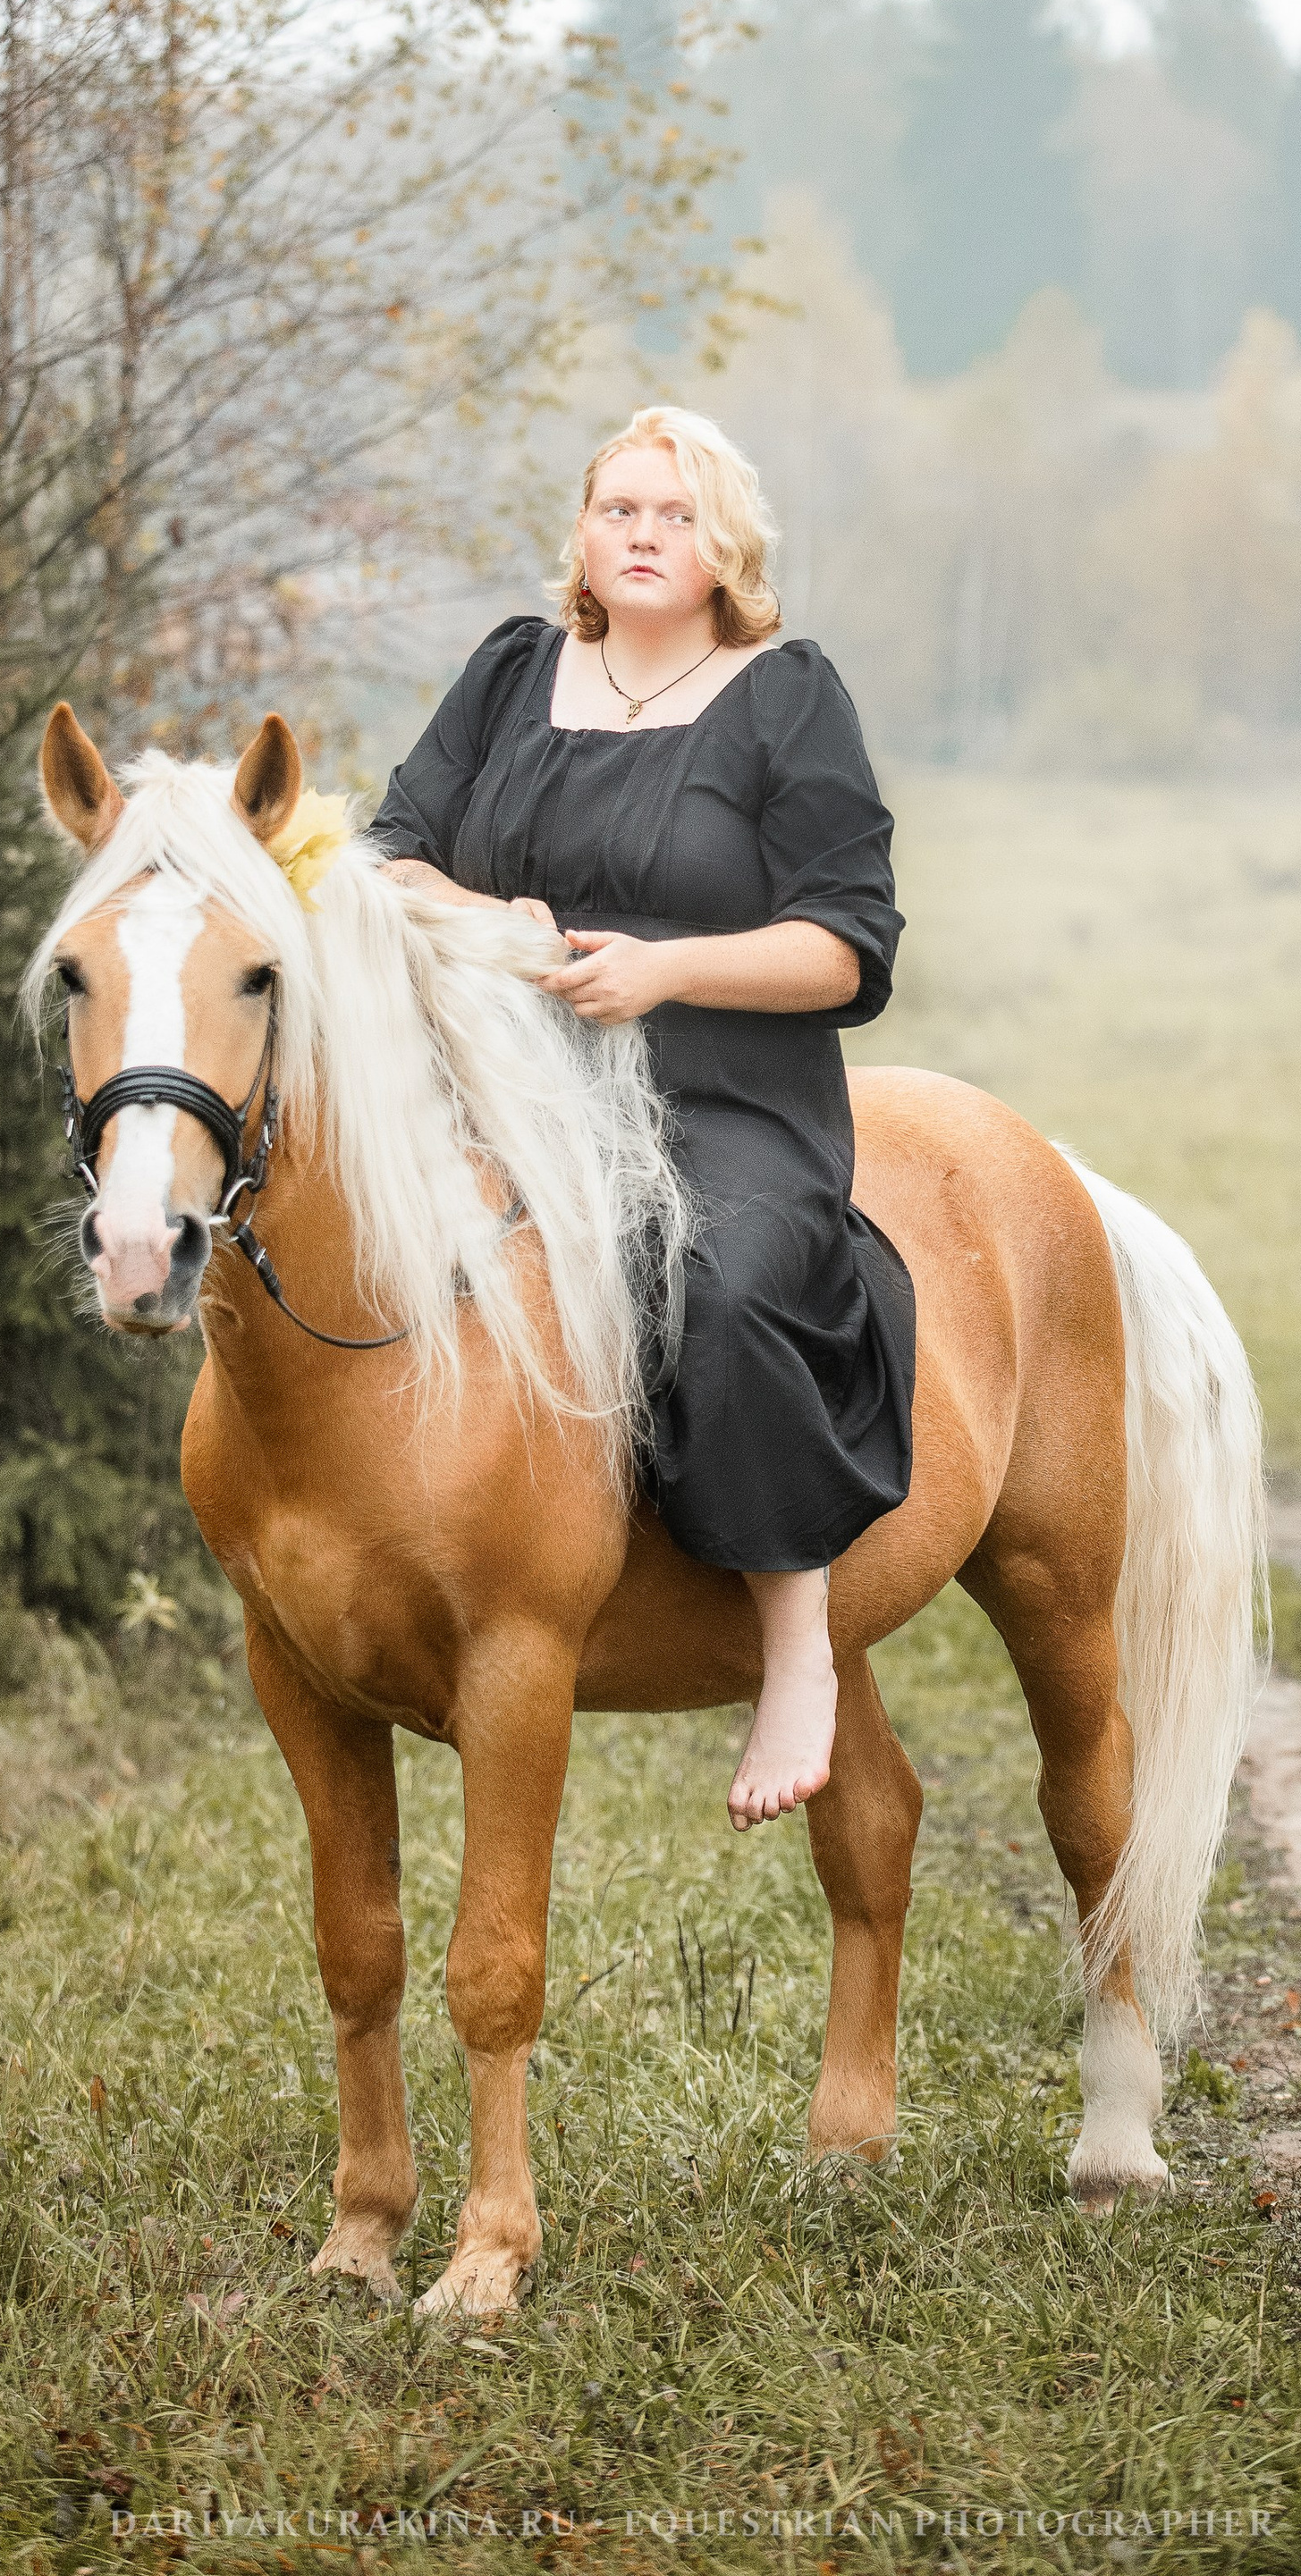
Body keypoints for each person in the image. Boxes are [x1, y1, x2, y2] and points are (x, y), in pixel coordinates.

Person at [367, 404, 914, 1830]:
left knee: (721, 1283)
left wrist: (668, 966)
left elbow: (850, 946)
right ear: (585, 541)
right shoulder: (512, 672)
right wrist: (491, 919)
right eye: (620, 510)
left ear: (727, 543)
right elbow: (388, 855)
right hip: (503, 1082)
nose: (645, 535)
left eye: (676, 514)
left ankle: (797, 1646)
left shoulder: (785, 694)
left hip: (722, 1103)